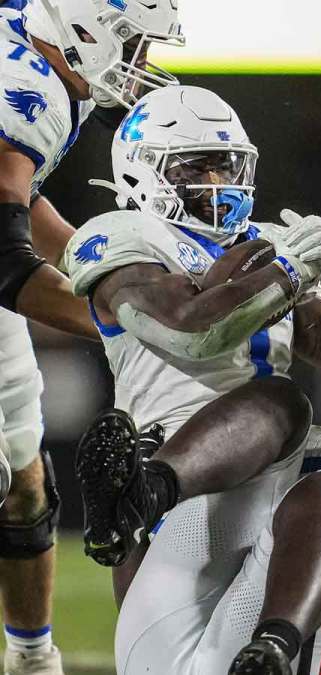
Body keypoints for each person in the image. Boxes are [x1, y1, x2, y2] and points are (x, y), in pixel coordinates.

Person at [63, 85, 321, 674]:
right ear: (142, 173)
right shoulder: (124, 237)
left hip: (271, 485)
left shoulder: (266, 246)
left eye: (228, 165)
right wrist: (288, 271)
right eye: (197, 166)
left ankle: (304, 648)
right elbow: (193, 333)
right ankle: (140, 494)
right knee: (280, 401)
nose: (218, 182)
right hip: (178, 476)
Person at [0, 1, 184, 672]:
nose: (138, 65)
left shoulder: (47, 62)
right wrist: (129, 322)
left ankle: (31, 659)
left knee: (23, 479)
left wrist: (98, 265)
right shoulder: (25, 87)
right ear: (84, 30)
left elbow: (17, 197)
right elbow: (5, 260)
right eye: (131, 43)